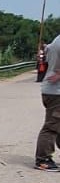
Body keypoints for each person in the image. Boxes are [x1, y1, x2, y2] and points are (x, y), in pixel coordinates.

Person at [35, 32, 60, 170]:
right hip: (56, 92)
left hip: (51, 90)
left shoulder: (55, 41)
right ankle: (43, 159)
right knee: (52, 126)